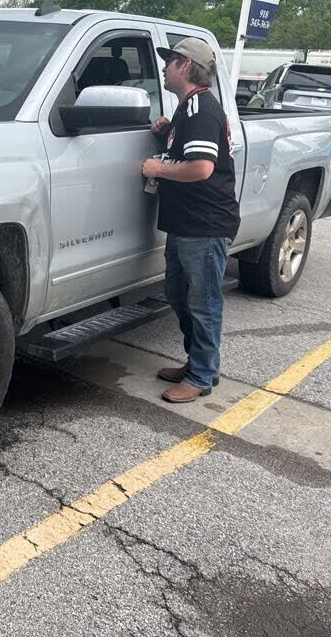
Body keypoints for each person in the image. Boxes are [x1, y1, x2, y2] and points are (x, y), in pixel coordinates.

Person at [141, 38, 240, 403]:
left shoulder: (200, 108)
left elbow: (201, 168)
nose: (164, 68)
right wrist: (167, 131)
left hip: (205, 225)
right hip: (188, 224)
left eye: (170, 62)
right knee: (179, 296)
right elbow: (192, 149)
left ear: (186, 66)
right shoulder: (190, 109)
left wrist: (158, 168)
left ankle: (200, 376)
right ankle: (200, 363)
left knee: (203, 302)